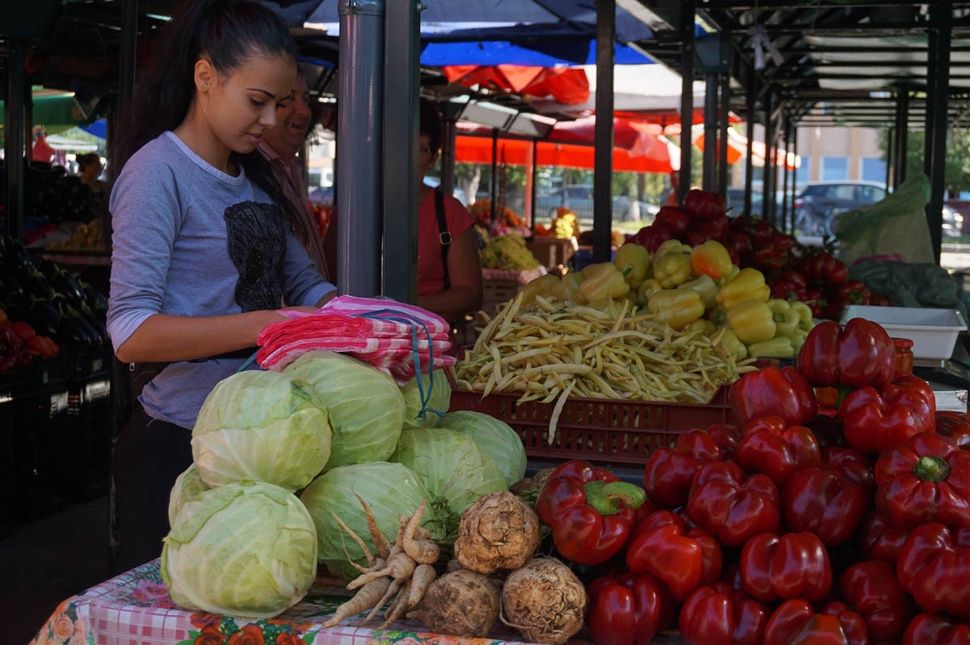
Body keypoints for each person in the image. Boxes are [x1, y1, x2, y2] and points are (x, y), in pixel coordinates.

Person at [107, 0, 335, 571]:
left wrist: (351, 317)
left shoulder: (257, 175)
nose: (268, 121)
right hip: (178, 445)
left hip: (259, 444)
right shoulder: (157, 174)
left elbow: (303, 282)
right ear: (205, 78)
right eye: (256, 102)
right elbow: (130, 331)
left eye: (278, 105)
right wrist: (269, 326)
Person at [257, 71, 330, 279]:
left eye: (306, 99)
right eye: (288, 99)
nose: (304, 110)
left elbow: (303, 280)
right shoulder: (251, 173)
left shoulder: (290, 168)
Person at [417, 99, 482, 320]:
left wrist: (408, 306)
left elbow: (470, 294)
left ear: (432, 159)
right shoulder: (355, 210)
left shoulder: (449, 213)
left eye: (420, 150)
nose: (407, 159)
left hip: (429, 345)